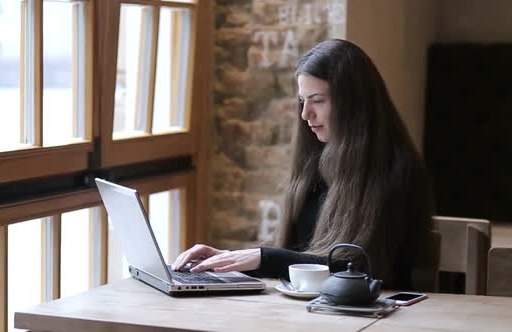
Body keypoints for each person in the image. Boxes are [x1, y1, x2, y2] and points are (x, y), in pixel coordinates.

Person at [172, 39, 435, 290]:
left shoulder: (399, 170)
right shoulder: (316, 162)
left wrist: (265, 258)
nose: (305, 114)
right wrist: (228, 260)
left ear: (354, 104)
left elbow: (359, 269)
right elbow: (299, 254)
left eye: (318, 100)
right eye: (303, 100)